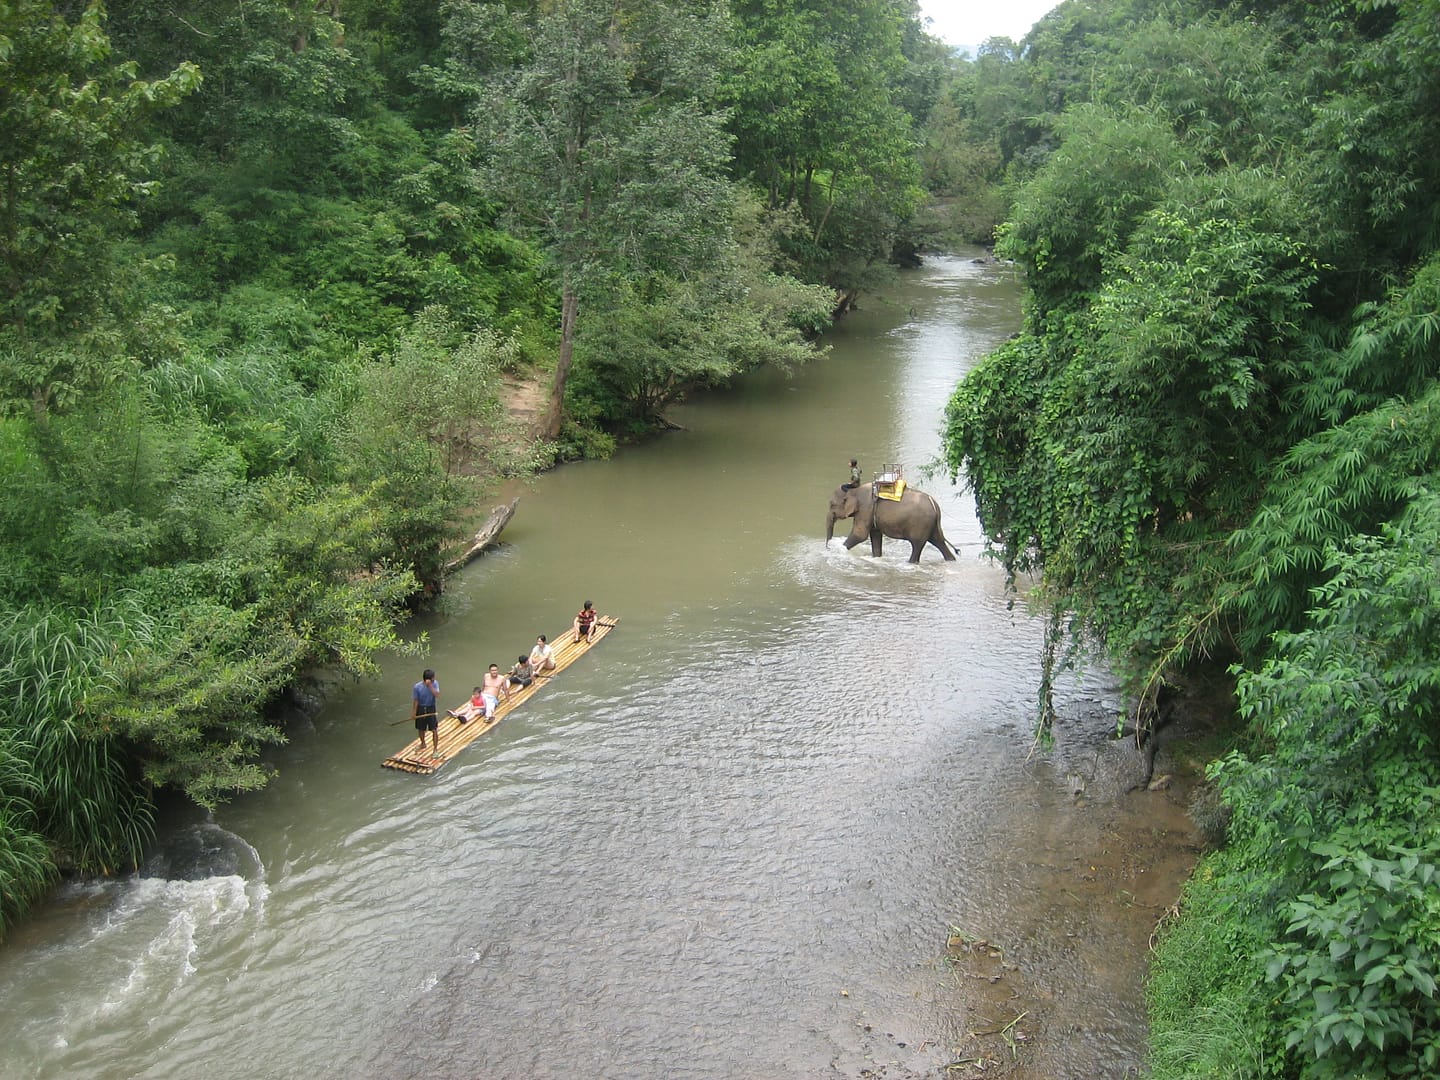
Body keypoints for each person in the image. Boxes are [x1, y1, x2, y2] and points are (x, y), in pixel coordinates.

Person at [412, 668, 441, 757]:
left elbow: (437, 695)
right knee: (421, 728)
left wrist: (430, 686)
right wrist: (414, 712)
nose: (434, 679)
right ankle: (423, 743)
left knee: (434, 729)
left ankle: (435, 750)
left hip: (431, 708)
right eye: (433, 678)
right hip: (421, 708)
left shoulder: (435, 684)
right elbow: (416, 700)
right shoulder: (417, 687)